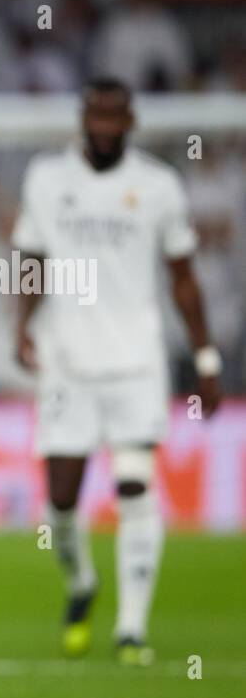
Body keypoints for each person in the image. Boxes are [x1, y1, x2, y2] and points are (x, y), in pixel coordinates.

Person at [12, 78, 221, 665]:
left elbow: (183, 275)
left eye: (115, 120)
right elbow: (31, 255)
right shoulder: (46, 179)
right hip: (67, 361)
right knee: (60, 501)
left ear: (129, 123)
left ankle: (131, 628)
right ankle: (81, 581)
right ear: (84, 119)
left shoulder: (157, 186)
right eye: (96, 119)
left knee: (135, 486)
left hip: (135, 361)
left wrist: (206, 357)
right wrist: (21, 326)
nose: (105, 129)